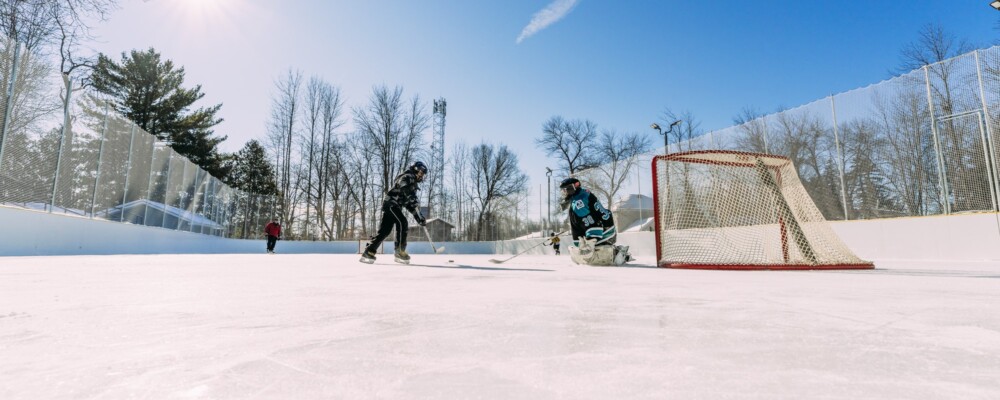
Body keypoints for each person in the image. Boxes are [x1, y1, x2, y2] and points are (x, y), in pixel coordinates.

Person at [360, 161, 428, 264]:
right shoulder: (408, 176)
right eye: (421, 173)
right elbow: (402, 185)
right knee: (402, 222)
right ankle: (399, 251)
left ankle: (369, 251)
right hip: (391, 204)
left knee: (385, 231)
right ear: (416, 170)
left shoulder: (413, 185)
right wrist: (412, 197)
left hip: (394, 206)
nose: (421, 176)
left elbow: (409, 204)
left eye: (423, 174)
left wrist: (419, 217)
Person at [559, 177, 632, 266]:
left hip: (604, 231)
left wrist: (589, 243)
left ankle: (615, 253)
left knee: (594, 252)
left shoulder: (579, 202)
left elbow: (589, 221)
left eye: (566, 190)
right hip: (606, 227)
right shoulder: (582, 194)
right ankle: (614, 250)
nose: (565, 193)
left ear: (572, 188)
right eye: (563, 191)